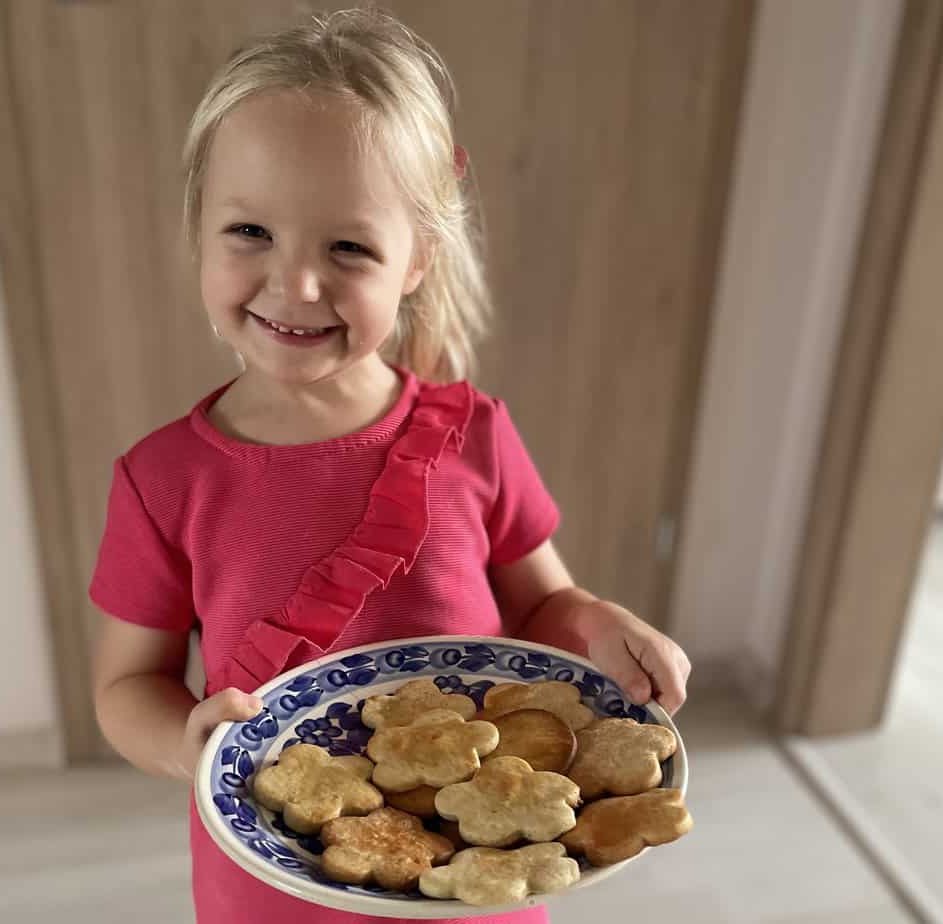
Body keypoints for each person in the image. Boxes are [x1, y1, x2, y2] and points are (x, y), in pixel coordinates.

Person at [89, 9, 691, 923]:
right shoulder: (161, 479)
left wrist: (598, 624)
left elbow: (541, 607)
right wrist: (184, 742)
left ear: (417, 259)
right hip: (269, 881)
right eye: (249, 231)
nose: (295, 284)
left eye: (347, 247)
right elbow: (124, 685)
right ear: (197, 229)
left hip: (478, 866)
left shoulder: (474, 433)